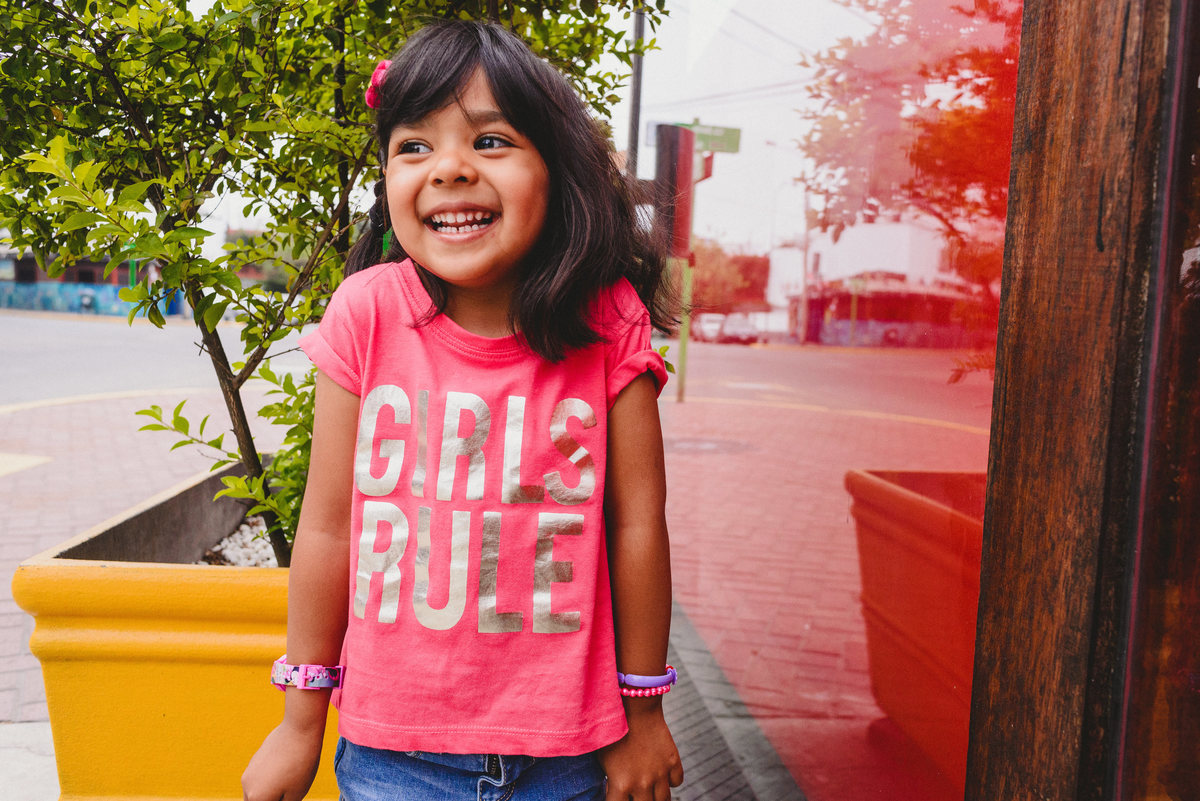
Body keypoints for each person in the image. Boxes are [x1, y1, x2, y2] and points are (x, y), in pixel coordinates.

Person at [242, 19, 683, 801]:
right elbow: (329, 526)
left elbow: (637, 522)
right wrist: (301, 719)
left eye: (490, 141)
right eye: (414, 146)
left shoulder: (607, 319)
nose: (448, 169)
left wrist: (643, 712)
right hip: (391, 760)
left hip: (570, 757)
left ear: (557, 169)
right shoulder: (365, 314)